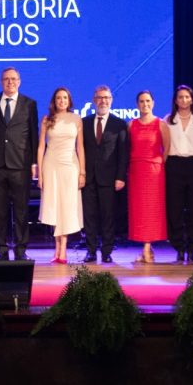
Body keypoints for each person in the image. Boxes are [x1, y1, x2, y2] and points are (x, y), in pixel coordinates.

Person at [0, 67, 39, 261]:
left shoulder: (29, 104)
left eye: (13, 79)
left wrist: (33, 163)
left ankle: (21, 248)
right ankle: (2, 248)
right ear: (1, 82)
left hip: (20, 164)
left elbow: (33, 134)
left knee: (22, 209)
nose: (10, 82)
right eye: (6, 79)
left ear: (19, 81)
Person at [37, 87, 85, 264]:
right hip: (51, 165)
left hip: (70, 166)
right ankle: (56, 249)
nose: (62, 101)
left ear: (69, 100)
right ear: (54, 101)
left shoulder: (76, 119)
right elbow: (41, 146)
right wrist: (40, 174)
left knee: (66, 206)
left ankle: (62, 249)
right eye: (59, 98)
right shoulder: (47, 119)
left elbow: (80, 147)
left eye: (65, 97)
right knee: (54, 206)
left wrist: (82, 172)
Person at [81, 85, 128, 264]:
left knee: (108, 216)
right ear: (94, 100)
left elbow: (123, 153)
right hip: (89, 178)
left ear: (111, 100)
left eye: (106, 98)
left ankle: (107, 251)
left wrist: (121, 177)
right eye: (100, 98)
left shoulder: (119, 124)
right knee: (90, 216)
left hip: (110, 178)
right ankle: (91, 251)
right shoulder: (84, 122)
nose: (103, 101)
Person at [127, 90, 170, 263]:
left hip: (154, 172)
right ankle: (147, 248)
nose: (145, 104)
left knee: (152, 211)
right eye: (142, 102)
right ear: (137, 105)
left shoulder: (161, 124)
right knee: (139, 211)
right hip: (136, 171)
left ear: (153, 103)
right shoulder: (131, 125)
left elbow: (166, 149)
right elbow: (128, 148)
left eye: (148, 101)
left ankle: (146, 249)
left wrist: (157, 164)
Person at [165, 85, 193, 263]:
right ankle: (178, 247)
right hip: (174, 165)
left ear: (192, 99)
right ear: (175, 100)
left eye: (187, 97)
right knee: (174, 209)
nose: (183, 100)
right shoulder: (167, 120)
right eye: (180, 97)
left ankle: (192, 247)